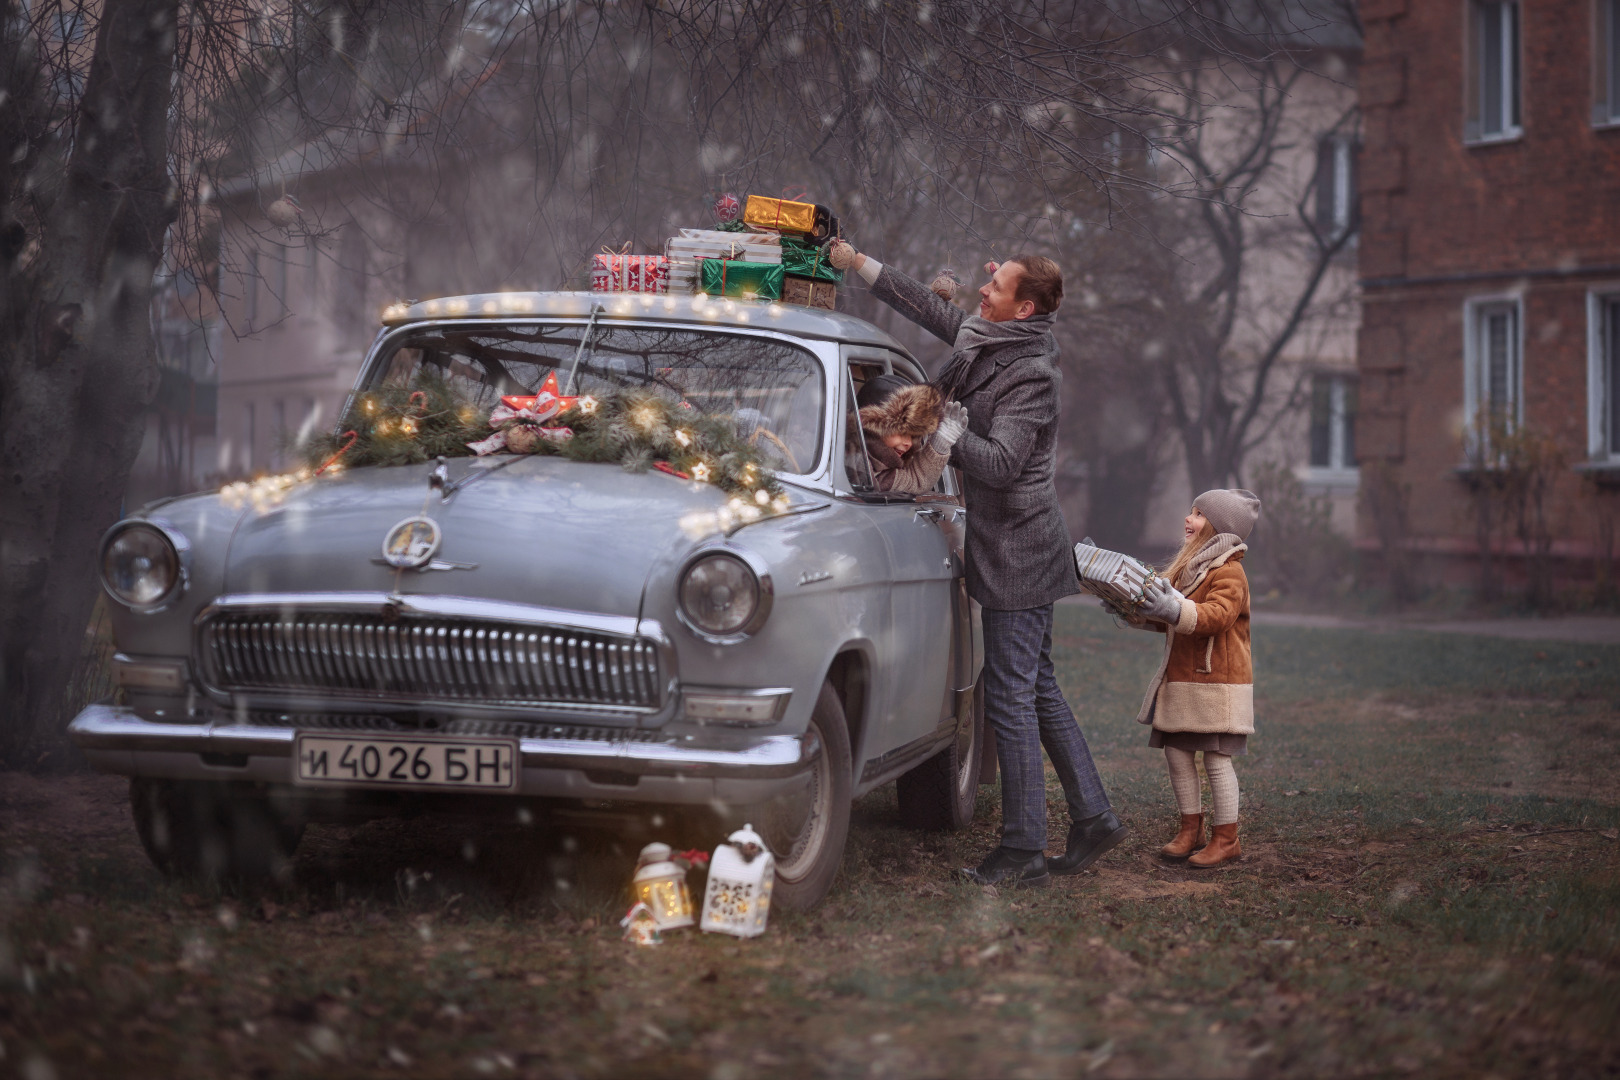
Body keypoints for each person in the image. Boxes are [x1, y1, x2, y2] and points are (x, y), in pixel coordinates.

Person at [828, 239, 1126, 888]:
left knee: (1012, 698)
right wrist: (855, 262)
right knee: (1036, 688)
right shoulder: (989, 337)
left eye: (998, 288)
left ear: (1023, 310)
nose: (981, 290)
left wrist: (939, 432)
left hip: (1021, 552)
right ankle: (1094, 817)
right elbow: (920, 305)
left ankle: (1022, 849)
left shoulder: (1032, 377)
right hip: (1015, 546)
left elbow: (1000, 463)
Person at [1129, 488, 1262, 869]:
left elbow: (1215, 616)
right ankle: (1192, 828)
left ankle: (1227, 838)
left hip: (1216, 682)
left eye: (1199, 514)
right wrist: (1133, 610)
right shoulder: (1191, 567)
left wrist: (1172, 607)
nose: (1188, 519)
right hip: (1185, 679)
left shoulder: (1229, 570)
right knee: (1176, 752)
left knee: (1217, 759)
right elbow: (1172, 616)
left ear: (1218, 528)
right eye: (1190, 512)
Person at [846, 373, 970, 493]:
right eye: (902, 432)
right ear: (875, 427)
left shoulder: (882, 472)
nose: (909, 443)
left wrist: (941, 441)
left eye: (913, 436)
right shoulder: (853, 462)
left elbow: (915, 480)